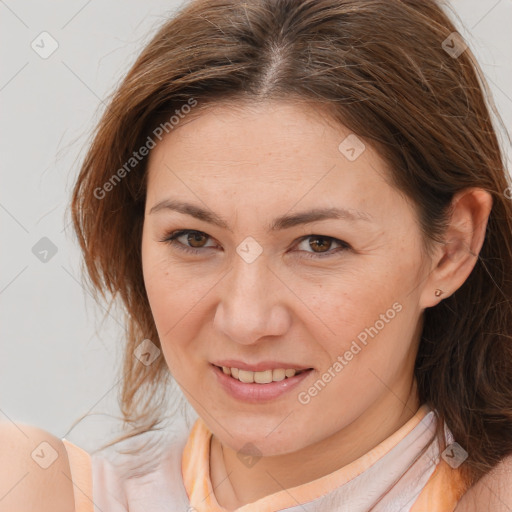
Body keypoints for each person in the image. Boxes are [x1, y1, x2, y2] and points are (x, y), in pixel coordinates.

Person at [1, 0, 512, 510]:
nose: (245, 320)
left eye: (319, 244)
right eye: (193, 238)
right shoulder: (41, 489)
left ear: (451, 247)